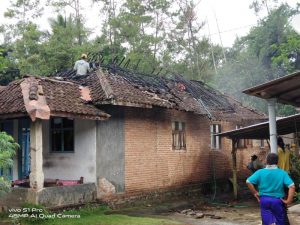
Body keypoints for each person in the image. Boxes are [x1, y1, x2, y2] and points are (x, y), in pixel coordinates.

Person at [246, 153, 295, 225]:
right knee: (281, 221)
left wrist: (255, 193)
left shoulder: (260, 172)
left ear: (266, 161)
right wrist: (288, 200)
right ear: (277, 162)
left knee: (266, 222)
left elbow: (248, 181)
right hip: (278, 200)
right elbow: (292, 186)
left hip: (264, 200)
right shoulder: (282, 173)